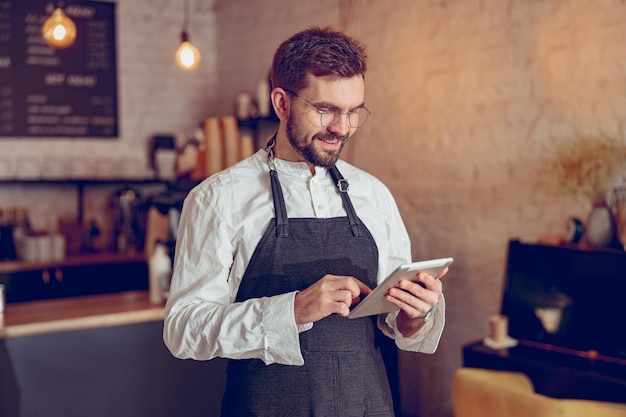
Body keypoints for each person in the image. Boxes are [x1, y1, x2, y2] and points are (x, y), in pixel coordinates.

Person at [163, 26, 447, 417]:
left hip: (367, 404)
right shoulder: (218, 198)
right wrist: (292, 310)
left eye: (352, 112)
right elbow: (183, 329)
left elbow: (393, 323)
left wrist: (416, 315)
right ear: (281, 102)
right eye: (326, 109)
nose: (342, 128)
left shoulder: (374, 195)